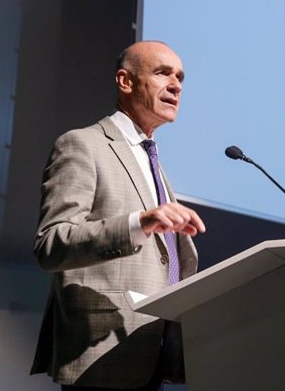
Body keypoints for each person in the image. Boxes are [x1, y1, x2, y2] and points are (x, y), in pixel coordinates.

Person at [30, 41, 206, 390]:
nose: (176, 85)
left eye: (180, 77)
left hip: (151, 348)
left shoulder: (151, 159)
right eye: (162, 73)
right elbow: (50, 244)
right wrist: (137, 223)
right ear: (125, 82)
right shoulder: (82, 144)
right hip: (101, 352)